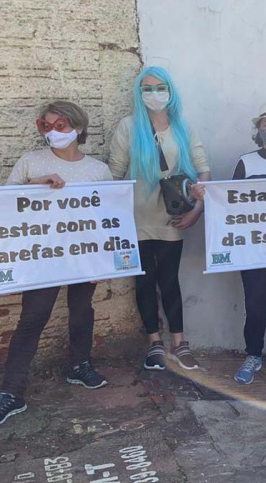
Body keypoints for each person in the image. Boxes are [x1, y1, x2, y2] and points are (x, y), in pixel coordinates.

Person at [0, 102, 113, 428]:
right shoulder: (31, 161)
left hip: (83, 253)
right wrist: (37, 185)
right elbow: (3, 203)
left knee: (82, 310)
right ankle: (11, 392)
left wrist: (104, 259)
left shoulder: (97, 169)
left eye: (61, 125)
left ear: (78, 128)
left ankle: (79, 364)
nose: (53, 132)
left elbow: (107, 216)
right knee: (33, 318)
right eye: (46, 126)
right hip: (41, 256)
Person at [192, 102, 266, 386]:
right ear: (258, 130)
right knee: (256, 307)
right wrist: (204, 194)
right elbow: (230, 204)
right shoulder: (246, 163)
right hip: (254, 252)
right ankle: (253, 355)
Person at [108, 66, 211, 371]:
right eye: (147, 88)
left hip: (172, 217)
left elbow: (203, 170)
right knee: (143, 282)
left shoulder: (183, 127)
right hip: (135, 219)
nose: (154, 94)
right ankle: (154, 342)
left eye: (160, 87)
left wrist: (196, 210)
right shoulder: (128, 127)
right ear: (139, 94)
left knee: (169, 281)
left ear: (170, 90)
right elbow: (114, 174)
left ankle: (180, 343)